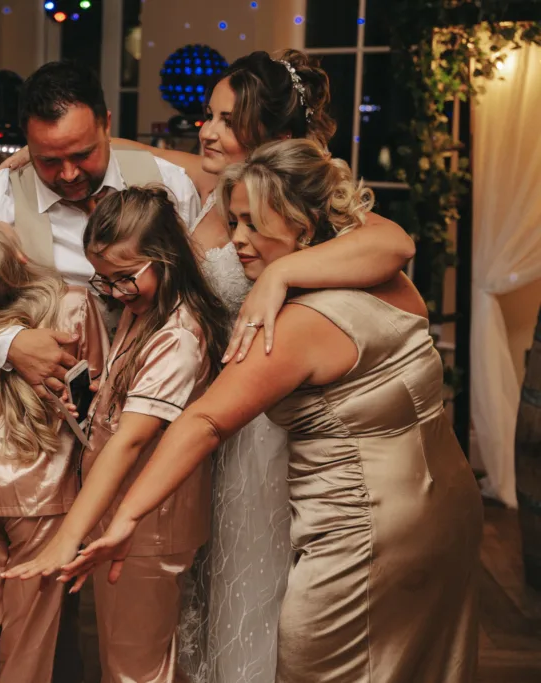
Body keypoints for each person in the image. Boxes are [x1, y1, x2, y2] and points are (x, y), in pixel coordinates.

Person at [0, 49, 417, 683]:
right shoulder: (226, 191)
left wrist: (282, 277)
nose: (205, 131)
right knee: (215, 583)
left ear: (269, 133)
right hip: (217, 429)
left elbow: (394, 244)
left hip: (274, 424)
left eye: (223, 119)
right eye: (208, 117)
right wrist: (64, 148)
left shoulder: (299, 196)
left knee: (268, 582)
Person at [62, 139, 484, 683]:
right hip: (444, 509)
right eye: (233, 221)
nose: (236, 239)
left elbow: (204, 422)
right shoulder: (394, 282)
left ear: (304, 227)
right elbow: (392, 244)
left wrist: (125, 519)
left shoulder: (297, 327)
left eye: (252, 225)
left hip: (364, 533)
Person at [4, 187, 231, 683]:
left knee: (135, 670)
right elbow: (122, 417)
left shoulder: (177, 339)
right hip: (125, 517)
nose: (116, 293)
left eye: (126, 279)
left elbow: (132, 440)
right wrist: (88, 406)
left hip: (150, 525)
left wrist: (67, 540)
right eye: (105, 282)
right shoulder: (142, 311)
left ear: (166, 259)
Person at [0, 59, 203, 400]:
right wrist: (9, 346)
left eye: (82, 155)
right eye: (48, 160)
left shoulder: (168, 183)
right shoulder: (5, 192)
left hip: (160, 385)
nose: (68, 174)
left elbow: (200, 289)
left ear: (106, 125)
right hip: (49, 404)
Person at [0, 216, 109, 683]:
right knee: (32, 627)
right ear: (20, 259)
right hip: (49, 495)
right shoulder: (73, 306)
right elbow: (96, 401)